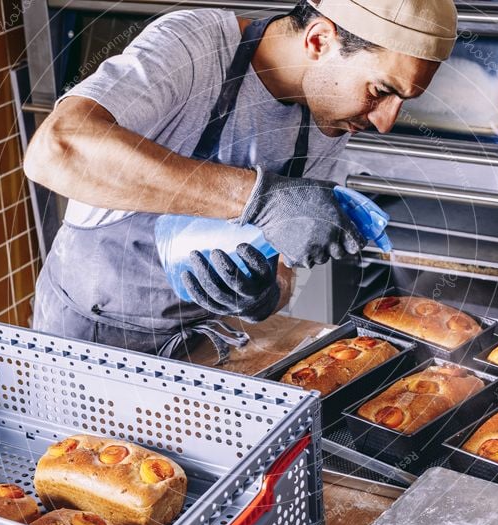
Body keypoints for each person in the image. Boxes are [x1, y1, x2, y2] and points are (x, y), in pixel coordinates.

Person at [23, 0, 457, 360]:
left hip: (204, 342)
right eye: (381, 91)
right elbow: (56, 152)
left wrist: (264, 296)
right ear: (320, 40)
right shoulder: (195, 46)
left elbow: (284, 267)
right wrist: (258, 196)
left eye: (402, 100)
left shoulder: (331, 118)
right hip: (86, 339)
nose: (385, 122)